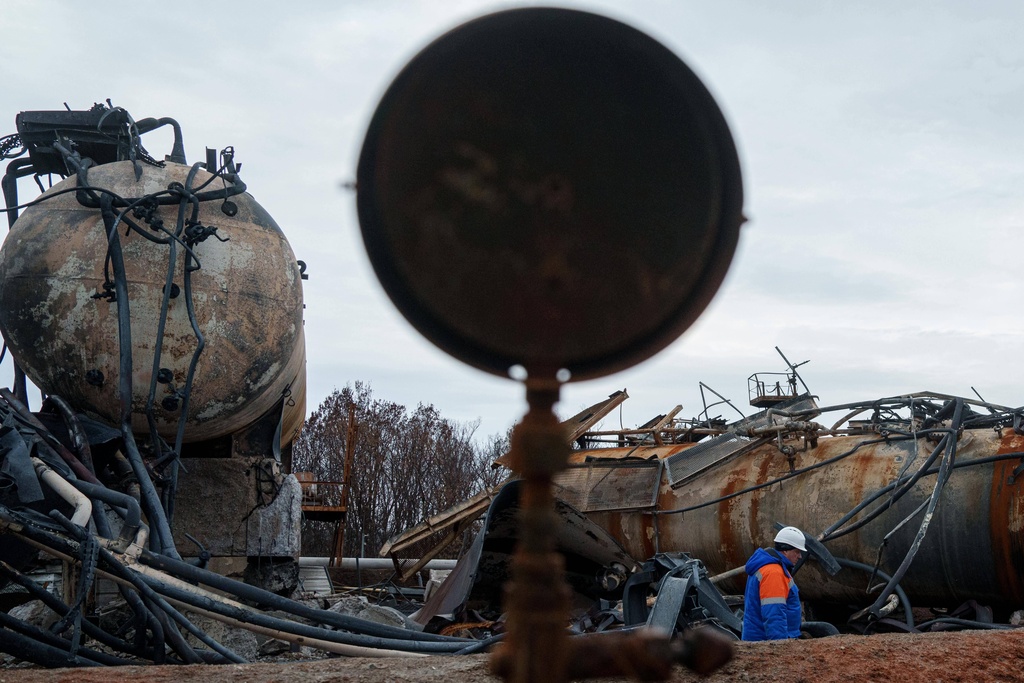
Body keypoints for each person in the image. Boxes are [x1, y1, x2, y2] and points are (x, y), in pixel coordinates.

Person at [741, 526, 806, 641]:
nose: (800, 556)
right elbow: (774, 614)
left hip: (759, 641)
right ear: (785, 551)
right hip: (764, 643)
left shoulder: (768, 567)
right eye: (797, 551)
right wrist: (780, 646)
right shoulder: (773, 573)